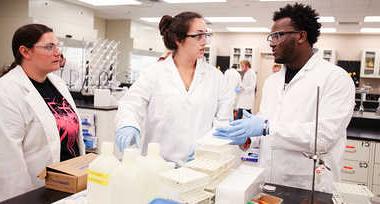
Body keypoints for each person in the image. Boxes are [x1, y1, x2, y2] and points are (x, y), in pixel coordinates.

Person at [214, 3, 355, 193]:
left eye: (278, 35)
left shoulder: (335, 78)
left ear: (301, 36)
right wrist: (246, 139)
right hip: (267, 182)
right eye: (271, 36)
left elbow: (323, 137)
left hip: (308, 187)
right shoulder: (272, 81)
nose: (271, 42)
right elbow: (264, 128)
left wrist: (265, 127)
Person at [115, 12, 233, 164]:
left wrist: (206, 149)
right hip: (156, 167)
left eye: (206, 35)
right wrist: (128, 125)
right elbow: (130, 104)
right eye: (198, 36)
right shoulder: (155, 73)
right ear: (178, 39)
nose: (205, 41)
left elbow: (222, 123)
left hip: (199, 167)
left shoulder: (216, 77)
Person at [0, 24, 85, 201]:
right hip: (36, 191)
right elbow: (8, 160)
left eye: (57, 45)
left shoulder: (57, 83)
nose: (58, 53)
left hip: (71, 183)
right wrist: (22, 199)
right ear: (25, 51)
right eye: (49, 47)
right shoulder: (7, 91)